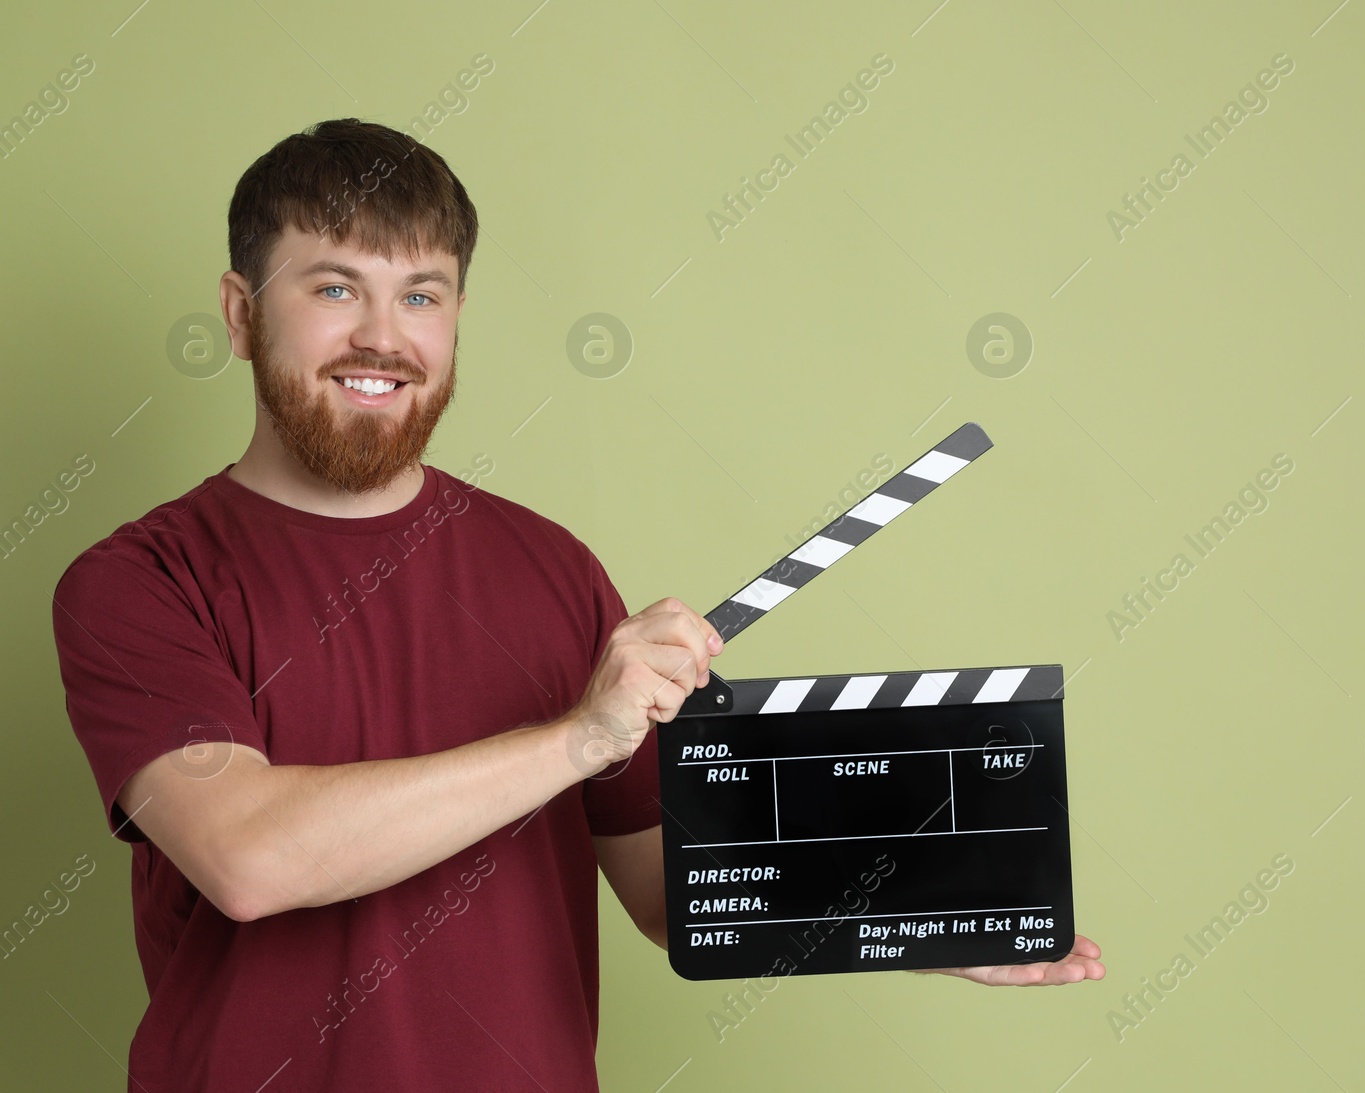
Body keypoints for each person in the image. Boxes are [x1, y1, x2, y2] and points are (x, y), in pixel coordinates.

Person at [51, 118, 1104, 1092]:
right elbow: (249, 856)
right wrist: (575, 738)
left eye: (422, 294)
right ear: (240, 312)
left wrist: (914, 909)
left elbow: (666, 892)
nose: (383, 335)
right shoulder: (141, 580)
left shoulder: (549, 567)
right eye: (334, 289)